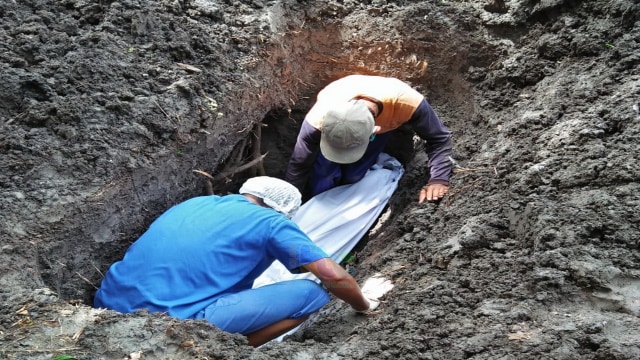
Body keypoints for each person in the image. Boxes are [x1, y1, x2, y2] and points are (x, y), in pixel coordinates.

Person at [94, 176, 380, 347]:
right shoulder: (271, 223)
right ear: (284, 212)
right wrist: (364, 306)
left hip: (107, 304)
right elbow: (334, 276)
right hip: (170, 322)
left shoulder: (195, 203)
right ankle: (228, 349)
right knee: (311, 294)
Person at [285, 74, 453, 203]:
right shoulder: (319, 116)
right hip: (334, 133)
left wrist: (438, 178)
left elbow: (439, 139)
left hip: (378, 131)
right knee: (323, 175)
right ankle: (319, 202)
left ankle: (344, 199)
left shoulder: (407, 104)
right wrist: (288, 203)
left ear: (374, 130)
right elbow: (300, 163)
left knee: (354, 175)